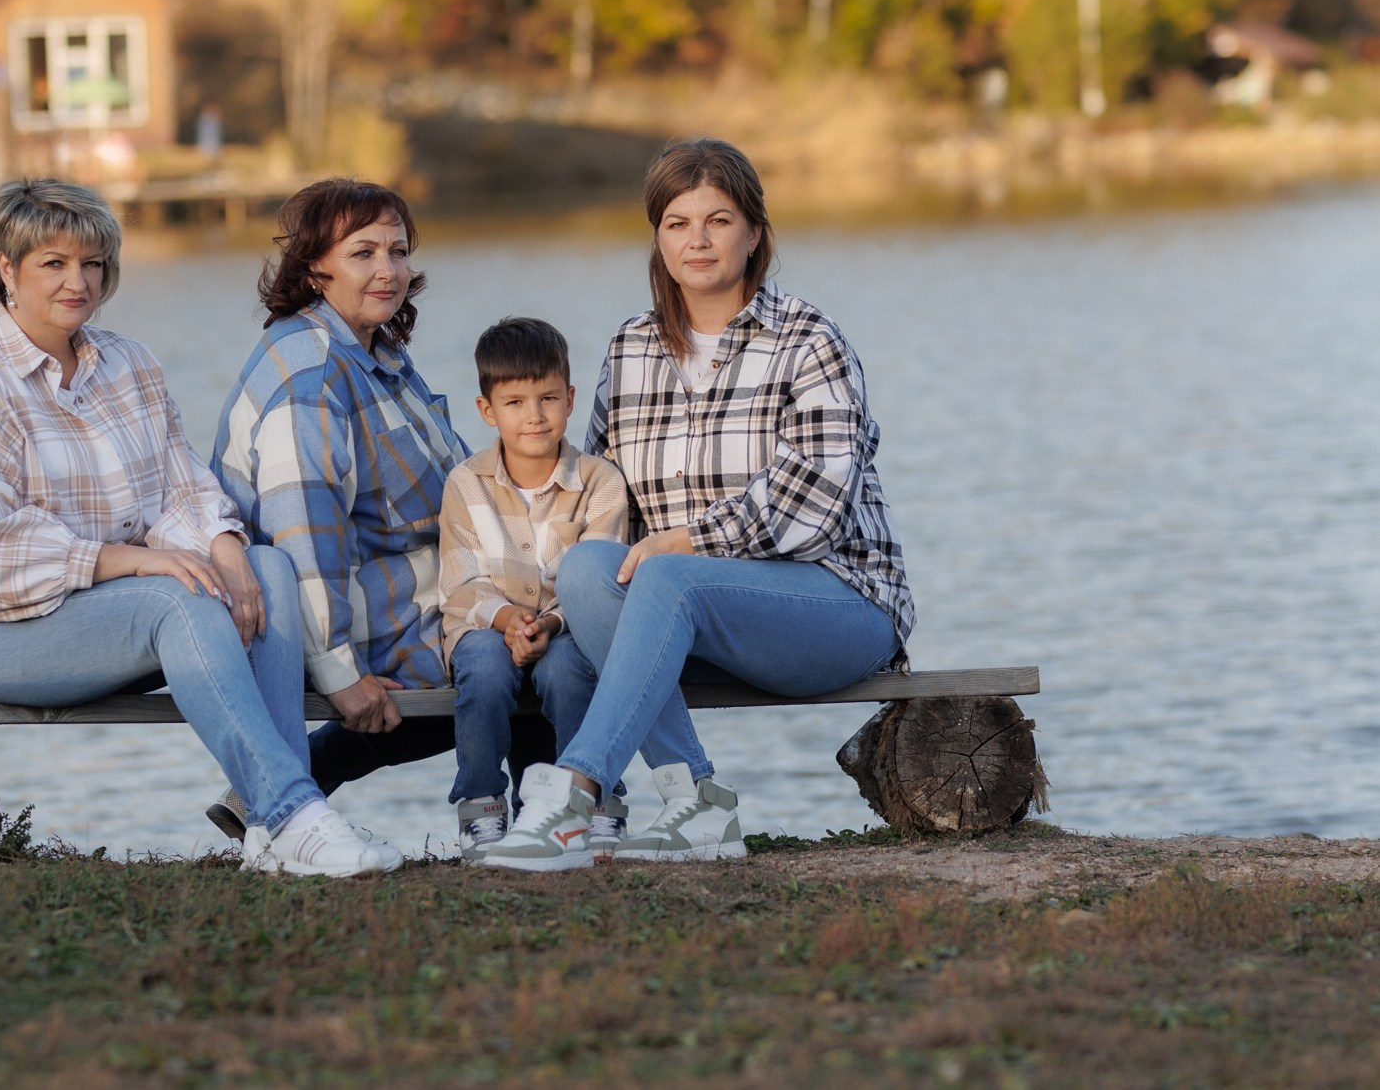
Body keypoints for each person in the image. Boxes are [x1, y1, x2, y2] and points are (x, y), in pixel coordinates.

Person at [0, 178, 399, 877]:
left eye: (93, 263)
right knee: (176, 596)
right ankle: (293, 811)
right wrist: (134, 563)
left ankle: (275, 824)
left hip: (119, 609)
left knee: (268, 566)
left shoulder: (126, 363)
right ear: (6, 270)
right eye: (53, 263)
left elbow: (179, 487)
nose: (78, 281)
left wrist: (224, 546)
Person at [482, 139, 917, 872]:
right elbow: (605, 503)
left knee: (664, 573)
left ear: (754, 231)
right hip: (689, 608)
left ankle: (572, 792)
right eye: (678, 222)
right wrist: (553, 609)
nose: (698, 239)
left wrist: (688, 540)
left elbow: (817, 501)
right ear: (657, 237)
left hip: (842, 602)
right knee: (590, 566)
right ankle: (696, 803)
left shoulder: (809, 341)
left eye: (718, 219)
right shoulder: (632, 348)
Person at [210, 178, 557, 837]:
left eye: (397, 252)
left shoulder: (376, 351)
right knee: (530, 643)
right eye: (363, 252)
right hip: (356, 615)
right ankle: (547, 821)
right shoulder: (309, 380)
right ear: (316, 266)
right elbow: (302, 542)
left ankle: (292, 779)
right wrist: (341, 676)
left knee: (542, 606)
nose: (388, 270)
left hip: (411, 582)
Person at [436, 317, 630, 862]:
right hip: (484, 626)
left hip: (567, 625)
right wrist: (507, 622)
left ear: (570, 399)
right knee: (484, 670)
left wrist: (548, 622)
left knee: (571, 671)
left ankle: (588, 800)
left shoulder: (599, 480)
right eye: (515, 402)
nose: (534, 415)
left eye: (547, 398)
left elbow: (605, 573)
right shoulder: (465, 484)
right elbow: (460, 583)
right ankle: (482, 806)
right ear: (487, 410)